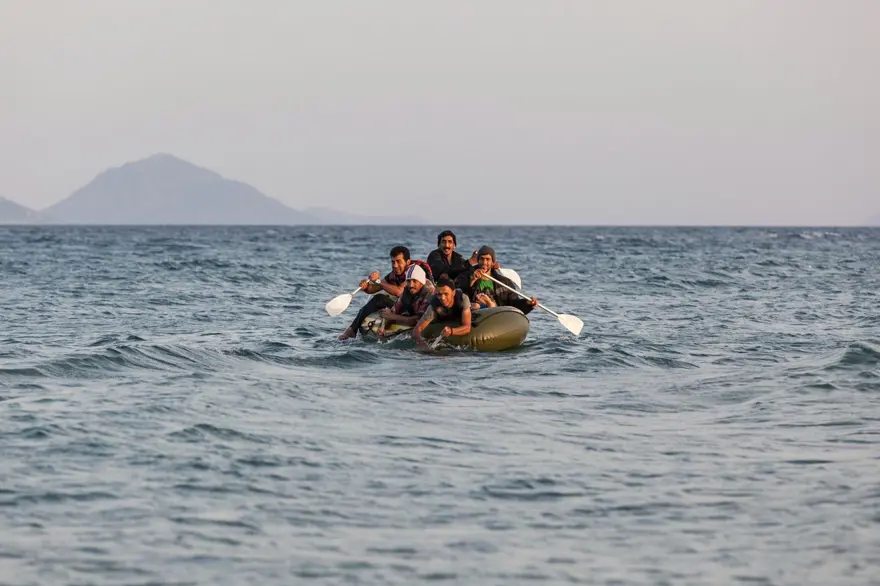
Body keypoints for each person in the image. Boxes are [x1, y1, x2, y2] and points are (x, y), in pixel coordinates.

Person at [338, 246, 434, 340]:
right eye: (393, 262)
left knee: (380, 299)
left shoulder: (417, 272)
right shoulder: (396, 274)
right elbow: (376, 288)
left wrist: (379, 281)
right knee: (379, 300)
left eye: (398, 261)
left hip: (425, 308)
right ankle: (354, 328)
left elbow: (399, 292)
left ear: (408, 262)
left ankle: (352, 330)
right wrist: (367, 286)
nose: (395, 265)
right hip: (411, 306)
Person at [455, 245, 538, 313]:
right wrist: (472, 280)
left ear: (493, 262)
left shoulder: (504, 282)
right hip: (475, 315)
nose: (484, 263)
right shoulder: (465, 276)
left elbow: (514, 304)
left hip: (496, 317)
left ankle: (490, 305)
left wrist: (527, 303)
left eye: (488, 259)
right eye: (482, 259)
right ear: (478, 260)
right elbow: (458, 296)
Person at [412, 276, 472, 349]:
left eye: (446, 294)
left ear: (453, 293)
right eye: (439, 294)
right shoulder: (434, 307)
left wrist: (451, 331)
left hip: (458, 315)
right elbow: (417, 330)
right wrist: (421, 343)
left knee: (476, 306)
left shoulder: (462, 299)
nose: (442, 298)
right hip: (441, 319)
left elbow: (467, 328)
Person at [376, 264, 435, 336]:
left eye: (414, 281)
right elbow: (394, 310)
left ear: (421, 282)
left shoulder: (430, 291)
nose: (411, 285)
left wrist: (393, 317)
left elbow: (419, 320)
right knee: (387, 310)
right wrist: (383, 328)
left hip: (431, 321)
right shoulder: (407, 289)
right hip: (413, 315)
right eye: (409, 281)